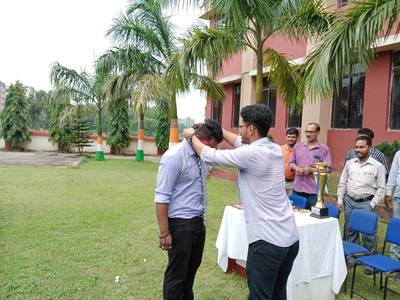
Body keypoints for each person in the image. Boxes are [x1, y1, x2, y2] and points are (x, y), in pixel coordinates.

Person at [186, 104, 299, 300]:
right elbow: (239, 141)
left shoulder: (252, 154)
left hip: (268, 242)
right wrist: (215, 127)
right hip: (289, 240)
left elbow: (210, 155)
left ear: (251, 129)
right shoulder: (272, 148)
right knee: (278, 293)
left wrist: (190, 136)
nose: (239, 129)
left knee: (260, 296)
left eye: (241, 125)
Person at [154, 119, 223, 300]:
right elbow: (161, 197)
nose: (211, 152)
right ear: (200, 140)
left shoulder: (201, 156)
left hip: (198, 224)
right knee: (176, 276)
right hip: (180, 226)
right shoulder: (174, 156)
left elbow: (213, 167)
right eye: (211, 147)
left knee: (190, 272)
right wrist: (164, 233)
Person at [337, 135, 386, 274]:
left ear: (369, 148)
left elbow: (382, 188)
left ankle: (370, 263)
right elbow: (342, 182)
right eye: (356, 147)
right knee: (349, 231)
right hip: (350, 202)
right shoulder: (350, 163)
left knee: (368, 235)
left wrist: (373, 204)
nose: (358, 149)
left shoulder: (378, 166)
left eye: (362, 147)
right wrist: (340, 199)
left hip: (366, 203)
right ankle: (351, 260)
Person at [289, 122, 332, 209]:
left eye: (311, 132)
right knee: (296, 215)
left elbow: (328, 169)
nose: (308, 134)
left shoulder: (324, 150)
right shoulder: (298, 147)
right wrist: (296, 168)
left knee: (313, 217)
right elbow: (291, 163)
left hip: (314, 191)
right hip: (298, 189)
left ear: (318, 132)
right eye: (307, 131)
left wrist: (311, 170)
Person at [385, 150, 400, 264]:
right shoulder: (399, 154)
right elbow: (393, 174)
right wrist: (388, 192)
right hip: (398, 197)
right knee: (397, 228)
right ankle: (394, 260)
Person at [280, 127, 299, 196]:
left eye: (293, 137)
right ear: (286, 137)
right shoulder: (280, 149)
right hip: (280, 182)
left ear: (297, 138)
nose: (290, 139)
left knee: (291, 203)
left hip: (293, 183)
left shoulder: (300, 150)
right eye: (289, 137)